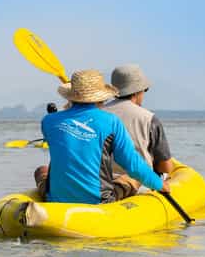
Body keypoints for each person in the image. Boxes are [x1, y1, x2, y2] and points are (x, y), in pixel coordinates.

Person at [33, 69, 168, 204]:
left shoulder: (48, 121)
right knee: (134, 178)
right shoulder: (111, 122)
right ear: (102, 97)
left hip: (56, 200)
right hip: (99, 200)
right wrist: (159, 184)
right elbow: (132, 164)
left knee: (41, 171)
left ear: (71, 96)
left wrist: (68, 109)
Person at [103, 64, 175, 187]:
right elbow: (165, 167)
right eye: (145, 90)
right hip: (138, 185)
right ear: (138, 91)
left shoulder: (98, 114)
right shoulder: (149, 118)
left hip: (103, 183)